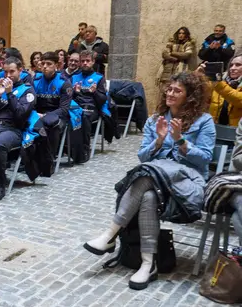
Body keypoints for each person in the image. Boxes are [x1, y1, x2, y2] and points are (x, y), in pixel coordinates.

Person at [84, 72, 214, 290]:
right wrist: (159, 141)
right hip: (156, 180)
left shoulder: (204, 121)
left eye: (177, 91)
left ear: (190, 96)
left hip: (187, 182)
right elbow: (143, 156)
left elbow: (205, 158)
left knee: (146, 173)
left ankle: (110, 234)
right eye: (169, 89)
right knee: (148, 196)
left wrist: (180, 140)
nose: (170, 94)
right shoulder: (155, 120)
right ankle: (147, 264)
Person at [0, 56, 37, 201]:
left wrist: (10, 93)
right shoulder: (1, 88)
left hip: (13, 129)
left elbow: (20, 115)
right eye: (5, 72)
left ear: (20, 70)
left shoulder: (28, 90)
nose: (8, 76)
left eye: (12, 72)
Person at [70, 50, 109, 163]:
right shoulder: (74, 78)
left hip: (92, 108)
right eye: (83, 61)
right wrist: (75, 92)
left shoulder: (99, 78)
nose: (85, 63)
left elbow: (102, 100)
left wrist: (95, 92)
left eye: (88, 61)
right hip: (76, 106)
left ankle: (84, 149)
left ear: (93, 62)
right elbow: (68, 98)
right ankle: (67, 148)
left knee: (84, 116)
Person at [33, 51, 72, 156]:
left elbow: (64, 109)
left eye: (49, 64)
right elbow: (30, 103)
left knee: (51, 125)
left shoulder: (64, 83)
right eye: (43, 63)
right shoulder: (35, 81)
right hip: (38, 115)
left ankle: (49, 159)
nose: (45, 67)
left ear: (57, 65)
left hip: (57, 117)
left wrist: (45, 116)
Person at [200, 53, 242, 127]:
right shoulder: (221, 81)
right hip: (215, 127)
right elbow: (200, 96)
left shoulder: (219, 84)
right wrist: (198, 76)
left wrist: (218, 83)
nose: (232, 68)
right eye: (231, 65)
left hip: (237, 132)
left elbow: (239, 100)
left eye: (238, 65)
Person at [158, 27, 196, 94]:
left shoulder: (188, 44)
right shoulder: (171, 43)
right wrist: (175, 59)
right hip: (167, 69)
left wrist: (172, 53)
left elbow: (186, 55)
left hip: (179, 70)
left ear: (186, 34)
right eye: (179, 33)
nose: (181, 35)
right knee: (164, 92)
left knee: (177, 92)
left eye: (183, 33)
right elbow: (164, 54)